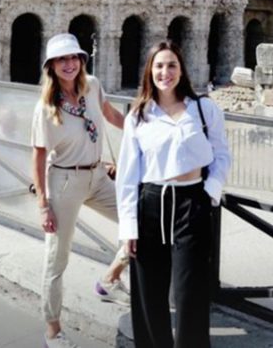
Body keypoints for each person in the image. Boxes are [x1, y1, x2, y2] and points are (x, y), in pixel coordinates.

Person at [116, 40, 231, 348]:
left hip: (191, 202)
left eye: (171, 65)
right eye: (159, 66)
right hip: (151, 203)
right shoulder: (137, 116)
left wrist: (210, 192)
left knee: (189, 292)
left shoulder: (204, 108)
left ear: (181, 70)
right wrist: (128, 228)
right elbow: (127, 176)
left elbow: (221, 154)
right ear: (149, 71)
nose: (165, 72)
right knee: (149, 294)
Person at [31, 33, 129, 348]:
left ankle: (109, 279)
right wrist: (43, 204)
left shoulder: (93, 85)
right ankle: (52, 332)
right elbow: (39, 156)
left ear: (82, 60)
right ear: (52, 66)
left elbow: (111, 114)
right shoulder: (46, 107)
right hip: (64, 182)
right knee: (56, 260)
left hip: (98, 176)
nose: (70, 64)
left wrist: (143, 132)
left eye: (74, 57)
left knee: (139, 222)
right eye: (62, 59)